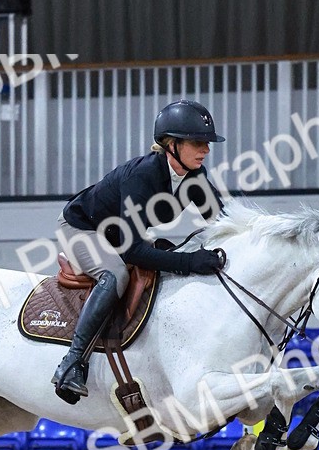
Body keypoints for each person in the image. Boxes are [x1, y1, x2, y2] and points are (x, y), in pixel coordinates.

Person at [51, 99, 227, 401]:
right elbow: (131, 252)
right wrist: (189, 261)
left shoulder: (195, 177)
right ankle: (71, 364)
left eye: (207, 143)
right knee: (115, 275)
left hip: (119, 232)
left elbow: (222, 221)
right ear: (171, 145)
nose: (206, 150)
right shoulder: (142, 175)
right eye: (198, 142)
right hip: (81, 227)